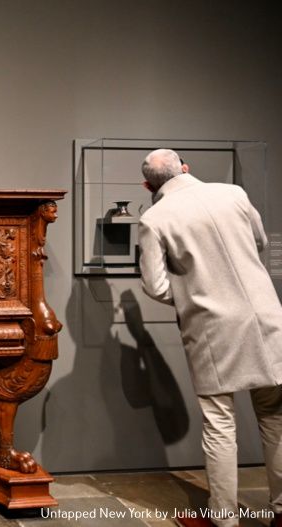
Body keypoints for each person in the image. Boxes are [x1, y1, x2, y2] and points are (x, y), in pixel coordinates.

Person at [138, 148, 282, 527]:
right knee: (275, 415)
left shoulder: (154, 218)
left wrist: (191, 294)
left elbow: (154, 286)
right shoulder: (233, 193)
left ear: (147, 185)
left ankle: (224, 519)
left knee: (219, 424)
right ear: (186, 167)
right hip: (267, 316)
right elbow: (261, 243)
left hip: (213, 328)